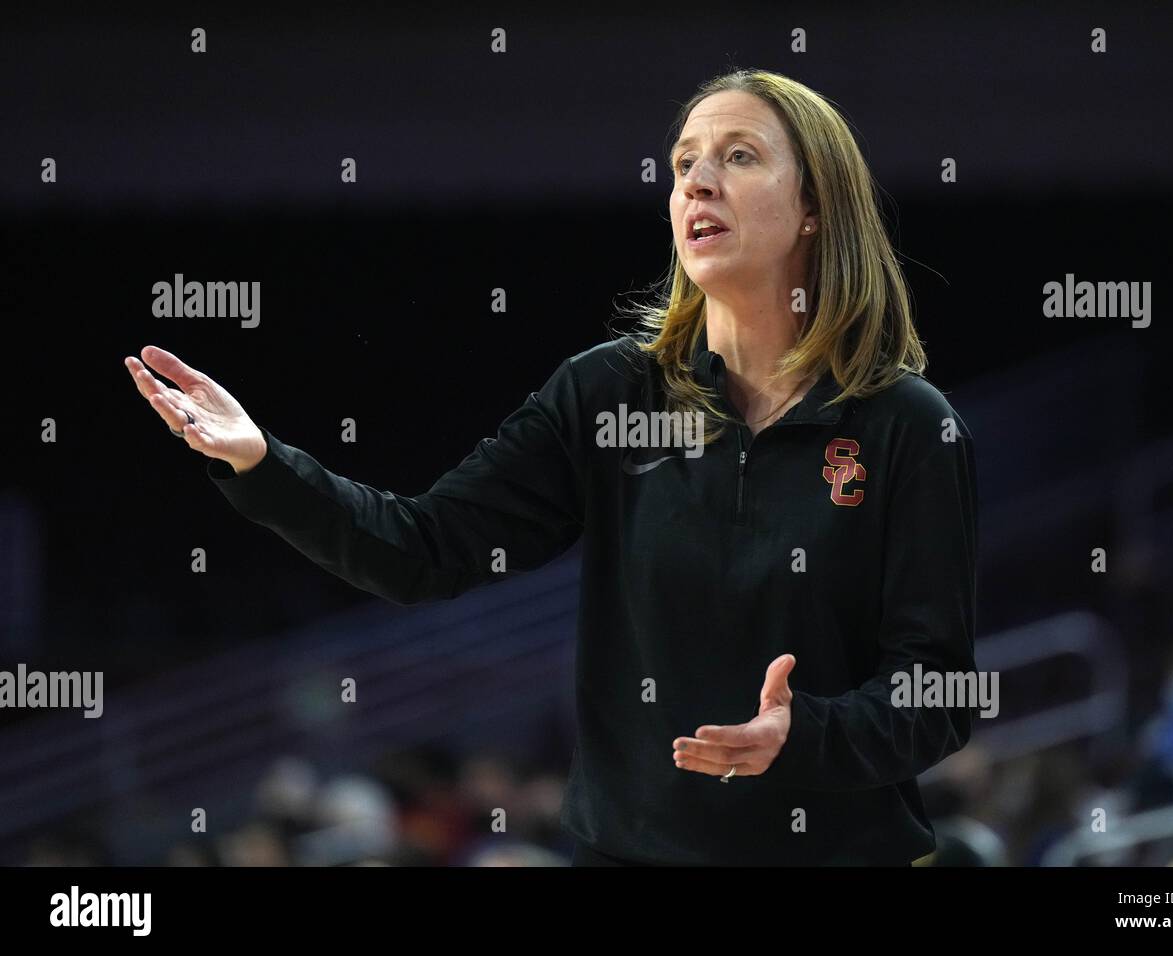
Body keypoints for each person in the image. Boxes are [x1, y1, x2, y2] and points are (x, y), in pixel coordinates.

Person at [124, 69, 978, 866]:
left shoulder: (905, 426)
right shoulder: (609, 391)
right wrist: (262, 463)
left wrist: (807, 735)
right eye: (683, 164)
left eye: (739, 157)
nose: (697, 183)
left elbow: (938, 692)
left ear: (814, 209)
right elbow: (423, 548)